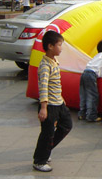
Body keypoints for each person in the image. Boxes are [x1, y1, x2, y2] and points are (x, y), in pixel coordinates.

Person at [32, 30, 73, 172]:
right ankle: (39, 161)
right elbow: (43, 87)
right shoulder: (45, 66)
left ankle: (46, 150)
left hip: (59, 103)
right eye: (59, 45)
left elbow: (56, 84)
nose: (61, 48)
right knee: (47, 133)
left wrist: (61, 99)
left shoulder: (55, 61)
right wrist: (43, 108)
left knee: (67, 125)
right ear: (50, 46)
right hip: (49, 105)